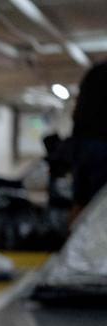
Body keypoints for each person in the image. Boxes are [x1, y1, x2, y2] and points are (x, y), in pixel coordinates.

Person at [69, 60, 107, 225]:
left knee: (82, 201)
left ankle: (73, 244)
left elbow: (77, 110)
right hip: (102, 144)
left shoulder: (95, 72)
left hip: (85, 144)